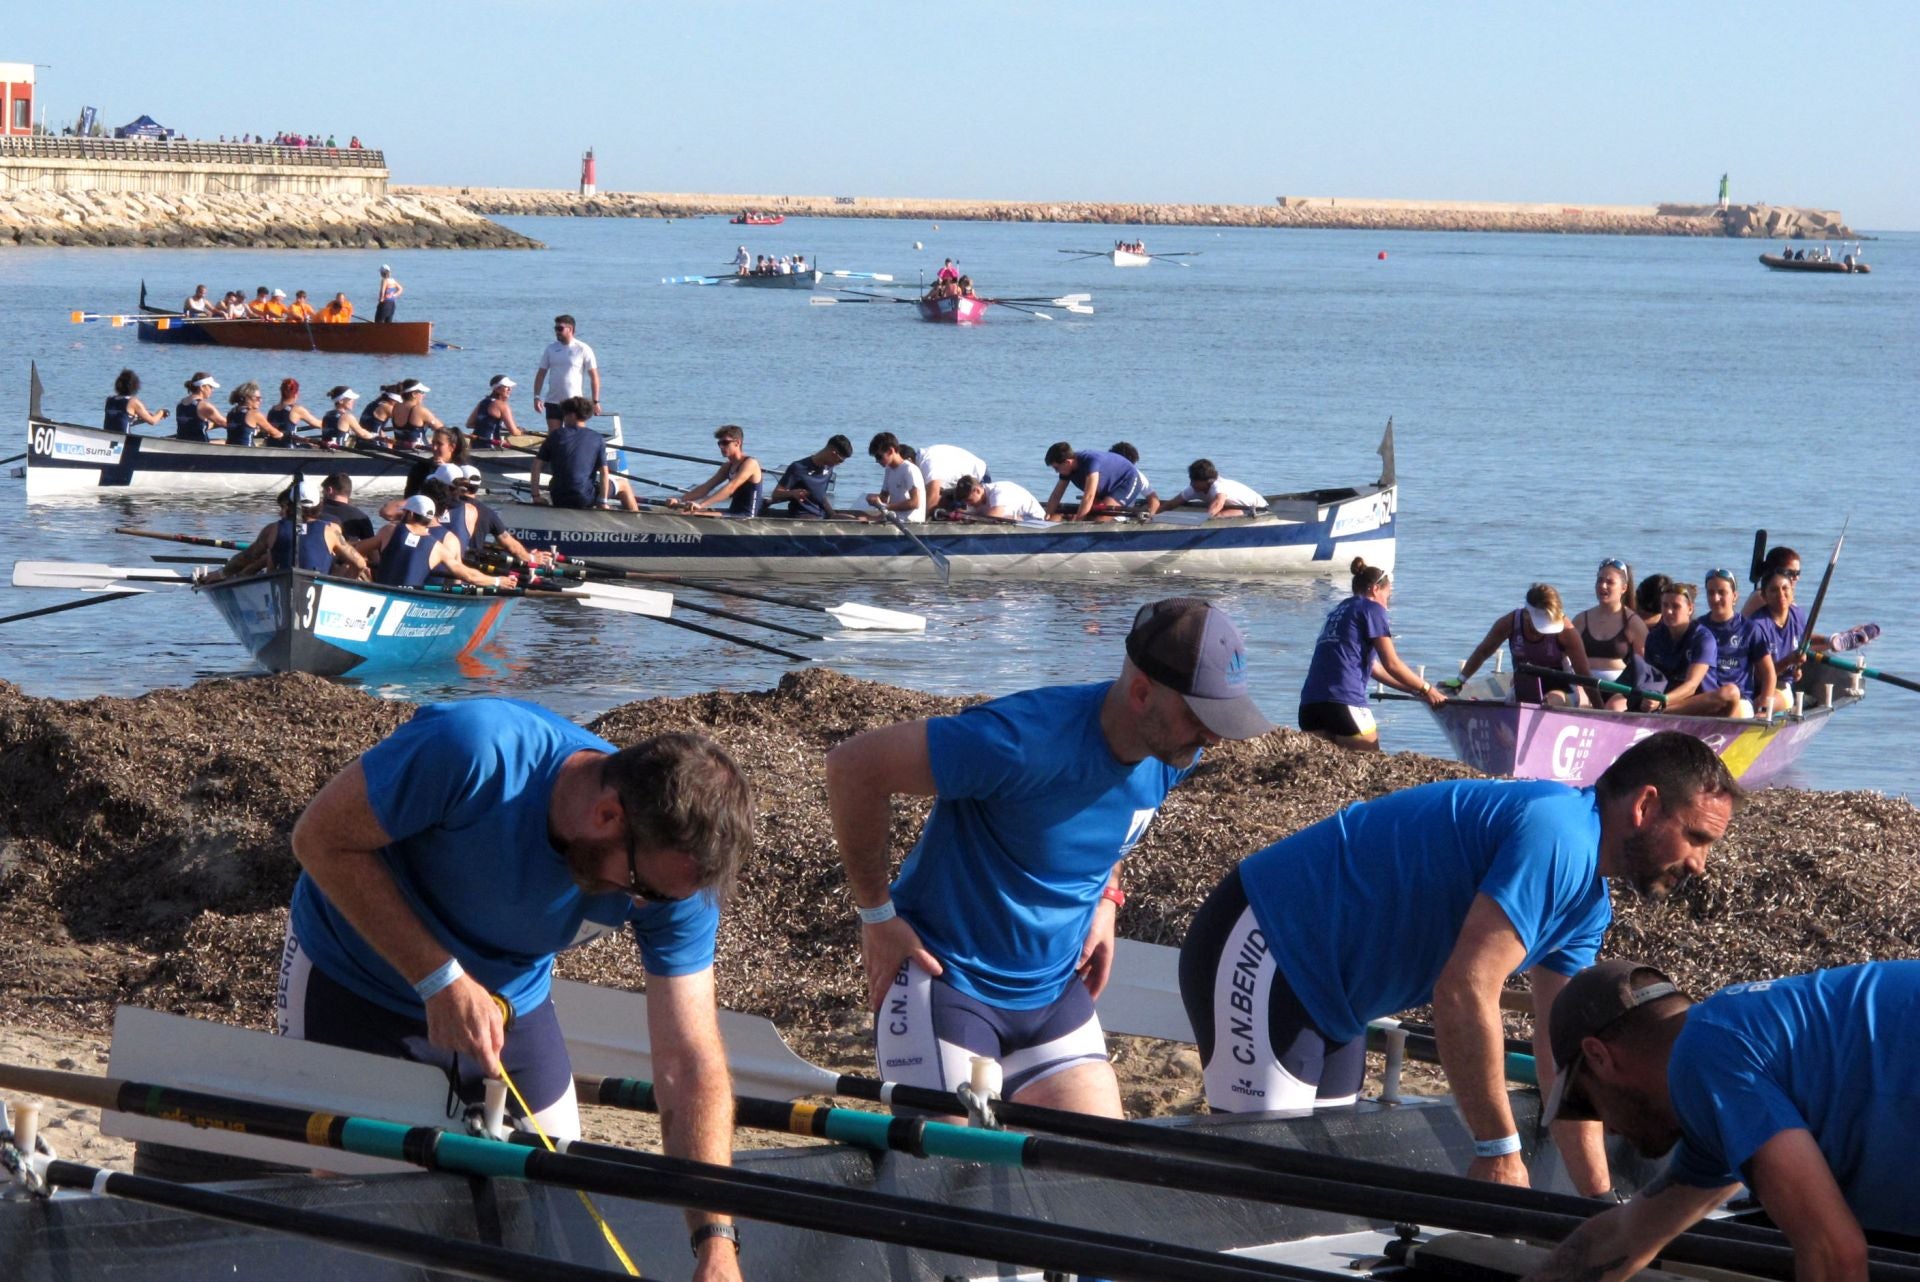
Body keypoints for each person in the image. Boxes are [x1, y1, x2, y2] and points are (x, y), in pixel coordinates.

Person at [282, 700, 753, 1279]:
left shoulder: (675, 882)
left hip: (508, 1005)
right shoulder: (474, 751)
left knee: (551, 1218)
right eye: (640, 888)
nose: (641, 908)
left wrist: (716, 1241)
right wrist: (439, 978)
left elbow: (689, 1061)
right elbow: (319, 839)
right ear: (607, 815)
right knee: (364, 1227)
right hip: (356, 976)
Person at [1179, 732, 1740, 1197]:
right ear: (1644, 807)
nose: (1700, 864)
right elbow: (1465, 990)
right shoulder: (1559, 835)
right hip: (1266, 943)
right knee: (1262, 1186)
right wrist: (1497, 1148)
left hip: (1340, 1003)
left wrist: (1599, 1204)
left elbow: (1559, 1060)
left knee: (1314, 1178)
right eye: (1696, 837)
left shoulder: (1589, 905)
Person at [828, 598, 1275, 1117]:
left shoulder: (1173, 751)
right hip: (948, 987)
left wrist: (1108, 898)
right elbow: (853, 767)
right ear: (1140, 693)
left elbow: (1110, 820)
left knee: (1097, 1169)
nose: (1213, 736)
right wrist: (877, 917)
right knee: (953, 1179)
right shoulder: (1018, 742)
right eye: (1200, 716)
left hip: (1054, 996)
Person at [1524, 960, 1920, 1279]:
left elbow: (1834, 1255)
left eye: (1587, 1103)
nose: (1606, 1128)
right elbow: (1622, 1236)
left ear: (1599, 1056)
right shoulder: (1728, 1053)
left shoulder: (1705, 1053)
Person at [1298, 558, 1445, 748]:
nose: (1388, 604)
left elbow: (1375, 668)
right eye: (1388, 596)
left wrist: (1413, 689)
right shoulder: (1372, 608)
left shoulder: (1338, 610)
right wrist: (1428, 689)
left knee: (1323, 774)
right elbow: (1392, 663)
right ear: (1375, 589)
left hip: (1310, 707)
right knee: (1372, 771)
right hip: (1345, 703)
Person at [1458, 584, 1598, 707]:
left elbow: (1584, 675)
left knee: (1550, 700)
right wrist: (1460, 680)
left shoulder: (1566, 631)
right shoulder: (1510, 622)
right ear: (1526, 614)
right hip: (1524, 685)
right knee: (1517, 699)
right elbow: (1483, 652)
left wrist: (1603, 712)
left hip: (1562, 687)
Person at [218, 477, 369, 580]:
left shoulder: (273, 530)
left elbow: (247, 557)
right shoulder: (331, 531)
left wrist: (221, 574)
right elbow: (360, 564)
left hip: (279, 583)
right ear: (319, 506)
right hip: (320, 587)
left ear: (290, 504)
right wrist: (342, 585)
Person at [362, 494, 513, 590]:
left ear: (410, 514)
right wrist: (497, 581)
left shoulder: (389, 531)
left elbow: (357, 550)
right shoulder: (438, 548)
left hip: (379, 592)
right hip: (408, 600)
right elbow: (468, 576)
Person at [1644, 583, 1741, 716]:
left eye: (1676, 606)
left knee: (1731, 692)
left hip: (1698, 704)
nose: (1668, 611)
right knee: (1617, 701)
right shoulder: (1654, 636)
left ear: (1690, 609)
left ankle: (1662, 713)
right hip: (1665, 700)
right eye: (1665, 605)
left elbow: (1691, 686)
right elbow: (1649, 679)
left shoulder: (1703, 638)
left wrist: (1662, 701)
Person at [530, 397, 636, 511]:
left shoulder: (555, 436)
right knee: (624, 484)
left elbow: (536, 467)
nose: (564, 418)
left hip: (558, 497)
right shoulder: (597, 438)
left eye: (565, 414)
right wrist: (603, 501)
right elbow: (604, 472)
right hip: (584, 497)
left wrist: (536, 496)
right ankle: (636, 522)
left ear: (573, 415)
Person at [1570, 559, 1647, 710]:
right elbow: (1565, 657)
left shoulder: (1633, 622)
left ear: (1624, 588)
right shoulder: (1580, 619)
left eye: (1610, 582)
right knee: (1580, 701)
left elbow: (1645, 667)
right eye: (1599, 580)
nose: (1602, 586)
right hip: (1583, 684)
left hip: (1619, 689)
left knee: (1613, 707)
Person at [1698, 570, 1769, 720]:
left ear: (1734, 596)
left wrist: (1764, 707)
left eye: (1722, 592)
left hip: (1740, 700)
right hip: (1706, 699)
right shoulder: (1697, 627)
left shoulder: (1750, 629)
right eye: (1711, 593)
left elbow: (1769, 673)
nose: (1716, 598)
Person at [1042, 442, 1149, 520]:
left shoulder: (1090, 462)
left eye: (1056, 468)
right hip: (1106, 486)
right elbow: (1056, 495)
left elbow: (1089, 496)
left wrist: (1076, 526)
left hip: (1127, 481)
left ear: (1068, 462)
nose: (1056, 472)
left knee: (1100, 518)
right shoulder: (1066, 469)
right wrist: (1047, 516)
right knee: (1078, 515)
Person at [673, 425, 764, 516]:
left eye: (725, 443)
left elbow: (730, 488)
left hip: (746, 515)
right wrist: (679, 500)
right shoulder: (727, 466)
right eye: (719, 443)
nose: (721, 447)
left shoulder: (750, 463)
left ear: (737, 443)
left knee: (691, 514)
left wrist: (701, 505)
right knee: (685, 513)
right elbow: (706, 487)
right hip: (732, 512)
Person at [532, 314, 601, 428]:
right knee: (555, 437)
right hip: (553, 401)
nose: (557, 332)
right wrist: (536, 397)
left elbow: (594, 377)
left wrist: (595, 401)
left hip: (574, 402)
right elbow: (540, 374)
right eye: (555, 329)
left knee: (576, 435)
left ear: (570, 329)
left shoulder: (583, 348)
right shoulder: (551, 348)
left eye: (560, 329)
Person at [766, 435, 854, 519]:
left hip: (821, 516)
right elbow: (776, 495)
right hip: (802, 517)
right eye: (840, 461)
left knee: (854, 519)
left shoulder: (829, 469)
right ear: (833, 453)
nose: (838, 464)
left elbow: (821, 496)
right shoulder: (798, 468)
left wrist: (833, 514)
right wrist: (792, 493)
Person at [1156, 459, 1269, 518]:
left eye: (1195, 481)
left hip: (1258, 509)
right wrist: (1153, 514)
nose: (1191, 484)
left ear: (1208, 481)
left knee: (1218, 516)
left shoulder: (1219, 486)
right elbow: (1171, 504)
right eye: (1191, 479)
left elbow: (1217, 505)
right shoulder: (1194, 488)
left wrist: (1202, 521)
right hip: (1238, 509)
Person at [862, 433, 926, 523]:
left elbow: (915, 503)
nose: (877, 461)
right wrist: (873, 499)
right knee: (855, 517)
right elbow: (883, 498)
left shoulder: (909, 470)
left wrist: (884, 506)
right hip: (893, 519)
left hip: (910, 523)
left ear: (890, 451)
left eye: (879, 457)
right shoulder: (889, 469)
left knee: (859, 520)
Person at [913, 443, 990, 513]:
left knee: (972, 513)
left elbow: (933, 496)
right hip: (957, 484)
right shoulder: (920, 459)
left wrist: (923, 521)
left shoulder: (927, 464)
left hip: (977, 479)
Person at [954, 474, 1047, 522]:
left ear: (977, 490)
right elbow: (973, 515)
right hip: (1016, 522)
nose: (968, 504)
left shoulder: (998, 491)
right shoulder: (975, 500)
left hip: (1037, 522)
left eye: (969, 500)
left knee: (997, 519)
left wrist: (967, 515)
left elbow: (993, 517)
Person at [1740, 546, 1799, 617]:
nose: (1796, 578)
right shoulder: (1763, 597)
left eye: (1798, 573)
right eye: (1790, 573)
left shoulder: (1788, 600)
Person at [104, 369, 169, 433]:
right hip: (124, 439)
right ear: (134, 386)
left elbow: (119, 421)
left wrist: (143, 419)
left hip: (107, 437)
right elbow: (153, 421)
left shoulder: (109, 400)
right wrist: (161, 413)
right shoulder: (133, 402)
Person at [267, 378, 325, 446]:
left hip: (270, 446)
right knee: (311, 446)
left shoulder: (272, 410)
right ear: (296, 394)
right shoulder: (296, 410)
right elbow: (319, 424)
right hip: (287, 448)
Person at [466, 375, 519, 450]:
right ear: (497, 389)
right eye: (506, 387)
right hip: (491, 445)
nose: (510, 389)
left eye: (510, 387)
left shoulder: (482, 402)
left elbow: (469, 424)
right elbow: (514, 432)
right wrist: (521, 431)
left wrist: (489, 426)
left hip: (474, 444)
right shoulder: (502, 405)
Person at [224, 382, 284, 447]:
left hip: (231, 450)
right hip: (248, 451)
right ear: (247, 398)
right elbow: (275, 434)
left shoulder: (231, 413)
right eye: (258, 398)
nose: (260, 401)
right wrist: (284, 434)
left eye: (260, 398)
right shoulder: (254, 414)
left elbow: (241, 429)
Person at [321, 472, 376, 540]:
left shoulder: (315, 512)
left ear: (330, 490)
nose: (322, 494)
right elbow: (371, 545)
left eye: (323, 491)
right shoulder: (361, 516)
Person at [390, 379, 442, 450]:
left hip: (398, 449)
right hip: (418, 452)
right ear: (414, 394)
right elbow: (442, 429)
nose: (424, 396)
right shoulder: (419, 410)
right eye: (422, 392)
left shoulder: (396, 406)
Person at [175, 373, 224, 441]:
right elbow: (225, 423)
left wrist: (216, 424)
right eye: (210, 387)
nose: (212, 390)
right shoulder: (204, 405)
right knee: (224, 441)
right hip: (201, 445)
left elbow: (194, 426)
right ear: (202, 387)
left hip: (182, 442)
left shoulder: (181, 403)